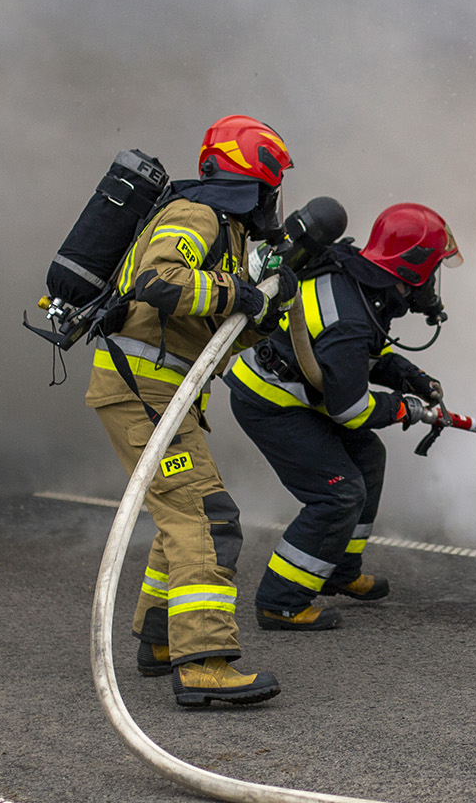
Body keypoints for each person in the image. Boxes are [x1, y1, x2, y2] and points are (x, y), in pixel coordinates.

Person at [86, 115, 291, 708]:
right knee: (208, 519)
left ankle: (159, 640)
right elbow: (159, 280)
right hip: (143, 391)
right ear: (257, 179)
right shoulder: (196, 214)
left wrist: (262, 315)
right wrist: (240, 293)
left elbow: (209, 331)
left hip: (161, 394)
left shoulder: (227, 233)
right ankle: (202, 663)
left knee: (182, 515)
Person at [224, 202, 457, 630]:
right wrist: (403, 407)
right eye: (434, 269)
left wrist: (407, 375)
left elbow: (352, 357)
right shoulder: (351, 316)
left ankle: (338, 570)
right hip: (270, 403)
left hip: (301, 394)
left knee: (368, 457)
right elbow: (349, 409)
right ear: (415, 268)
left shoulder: (357, 274)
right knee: (338, 494)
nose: (433, 283)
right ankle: (281, 602)